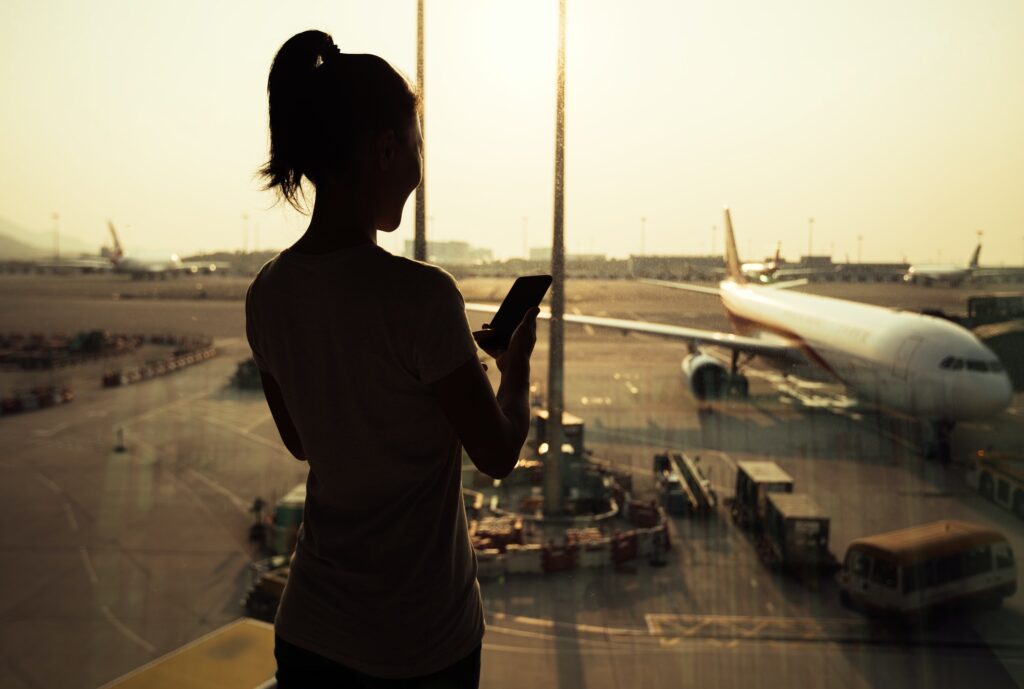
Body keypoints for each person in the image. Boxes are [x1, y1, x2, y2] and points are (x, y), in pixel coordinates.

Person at [245, 30, 538, 689]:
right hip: (418, 646)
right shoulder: (422, 298)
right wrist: (514, 368)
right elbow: (496, 453)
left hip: (310, 631)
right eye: (416, 145)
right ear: (385, 149)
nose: (418, 165)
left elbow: (301, 440)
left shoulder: (266, 293)